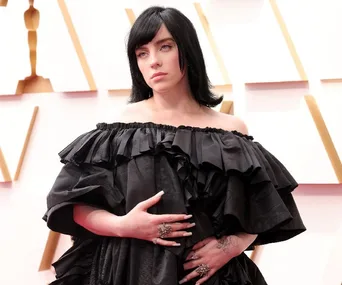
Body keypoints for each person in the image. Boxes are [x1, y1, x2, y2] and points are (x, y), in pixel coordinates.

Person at [43, 6, 306, 285]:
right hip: (128, 270)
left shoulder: (231, 130)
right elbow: (71, 204)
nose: (153, 61)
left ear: (187, 51)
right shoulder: (117, 128)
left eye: (164, 47)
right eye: (142, 53)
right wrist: (122, 226)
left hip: (210, 277)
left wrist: (230, 247)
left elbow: (261, 207)